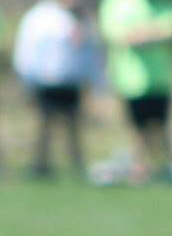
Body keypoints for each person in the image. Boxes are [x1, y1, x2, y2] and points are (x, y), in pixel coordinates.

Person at [13, 0, 101, 179]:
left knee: (74, 127)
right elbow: (26, 51)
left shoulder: (80, 17)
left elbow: (90, 51)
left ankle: (76, 167)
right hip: (45, 82)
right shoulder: (40, 16)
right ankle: (41, 166)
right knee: (45, 126)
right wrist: (27, 80)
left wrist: (93, 79)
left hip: (72, 82)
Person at [99, 0, 172, 183]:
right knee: (137, 130)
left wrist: (144, 35)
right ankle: (141, 170)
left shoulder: (164, 5)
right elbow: (118, 35)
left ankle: (166, 169)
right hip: (130, 81)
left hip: (160, 79)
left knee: (162, 128)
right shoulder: (116, 5)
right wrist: (150, 34)